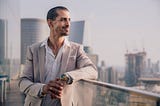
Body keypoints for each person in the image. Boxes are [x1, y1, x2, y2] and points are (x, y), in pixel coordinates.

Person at [18, 6, 97, 106]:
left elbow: (92, 70)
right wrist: (43, 88)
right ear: (50, 23)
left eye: (69, 20)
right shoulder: (34, 50)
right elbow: (23, 82)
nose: (68, 24)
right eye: (63, 20)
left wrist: (68, 76)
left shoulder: (77, 49)